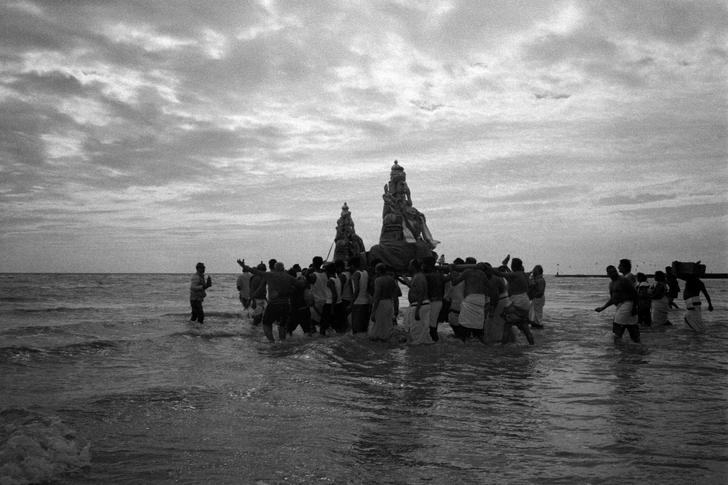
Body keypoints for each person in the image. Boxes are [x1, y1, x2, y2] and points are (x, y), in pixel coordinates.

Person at [239, 259, 297, 343]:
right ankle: (283, 342)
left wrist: (243, 266)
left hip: (274, 304)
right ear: (283, 268)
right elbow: (300, 284)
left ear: (275, 268)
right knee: (282, 324)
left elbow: (254, 271)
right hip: (285, 304)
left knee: (266, 323)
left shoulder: (270, 275)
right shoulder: (288, 277)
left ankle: (271, 341)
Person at [595, 265, 640, 343]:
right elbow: (613, 299)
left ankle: (618, 347)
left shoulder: (623, 280)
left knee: (618, 326)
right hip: (620, 306)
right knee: (631, 326)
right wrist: (602, 308)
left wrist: (634, 307)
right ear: (608, 274)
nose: (614, 273)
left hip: (628, 303)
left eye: (615, 271)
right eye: (611, 272)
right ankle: (636, 348)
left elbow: (634, 293)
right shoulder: (611, 284)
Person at [449, 259, 489, 342]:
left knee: (464, 326)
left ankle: (464, 342)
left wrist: (451, 270)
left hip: (470, 299)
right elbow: (487, 287)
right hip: (481, 300)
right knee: (479, 329)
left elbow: (454, 282)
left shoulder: (468, 271)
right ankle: (485, 344)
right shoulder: (483, 274)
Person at [402, 259, 433, 345]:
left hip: (420, 305)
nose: (409, 267)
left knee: (416, 331)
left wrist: (417, 310)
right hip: (419, 305)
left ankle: (417, 352)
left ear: (413, 267)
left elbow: (421, 292)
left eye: (410, 265)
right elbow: (412, 286)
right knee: (419, 331)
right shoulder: (417, 276)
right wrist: (403, 278)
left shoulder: (419, 277)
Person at [368, 263, 398, 341]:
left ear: (378, 271)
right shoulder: (392, 279)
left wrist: (373, 311)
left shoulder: (378, 280)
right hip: (389, 303)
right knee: (387, 326)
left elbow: (377, 296)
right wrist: (395, 308)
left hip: (380, 304)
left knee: (377, 327)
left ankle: (378, 348)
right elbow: (395, 295)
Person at [424, 255, 446, 342]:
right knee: (433, 324)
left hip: (433, 301)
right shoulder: (439, 274)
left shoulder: (428, 275)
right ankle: (434, 342)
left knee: (431, 326)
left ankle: (435, 343)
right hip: (439, 301)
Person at [349, 256, 371, 335]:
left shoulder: (356, 274)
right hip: (366, 302)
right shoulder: (365, 272)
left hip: (358, 303)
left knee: (356, 329)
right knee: (363, 328)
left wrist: (352, 302)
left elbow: (356, 289)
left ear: (352, 265)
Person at [528, 264, 546, 329]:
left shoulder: (540, 280)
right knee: (537, 314)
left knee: (537, 314)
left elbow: (540, 292)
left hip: (538, 298)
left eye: (534, 271)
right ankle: (537, 327)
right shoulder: (539, 279)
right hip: (538, 298)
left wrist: (533, 295)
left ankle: (538, 326)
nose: (533, 272)